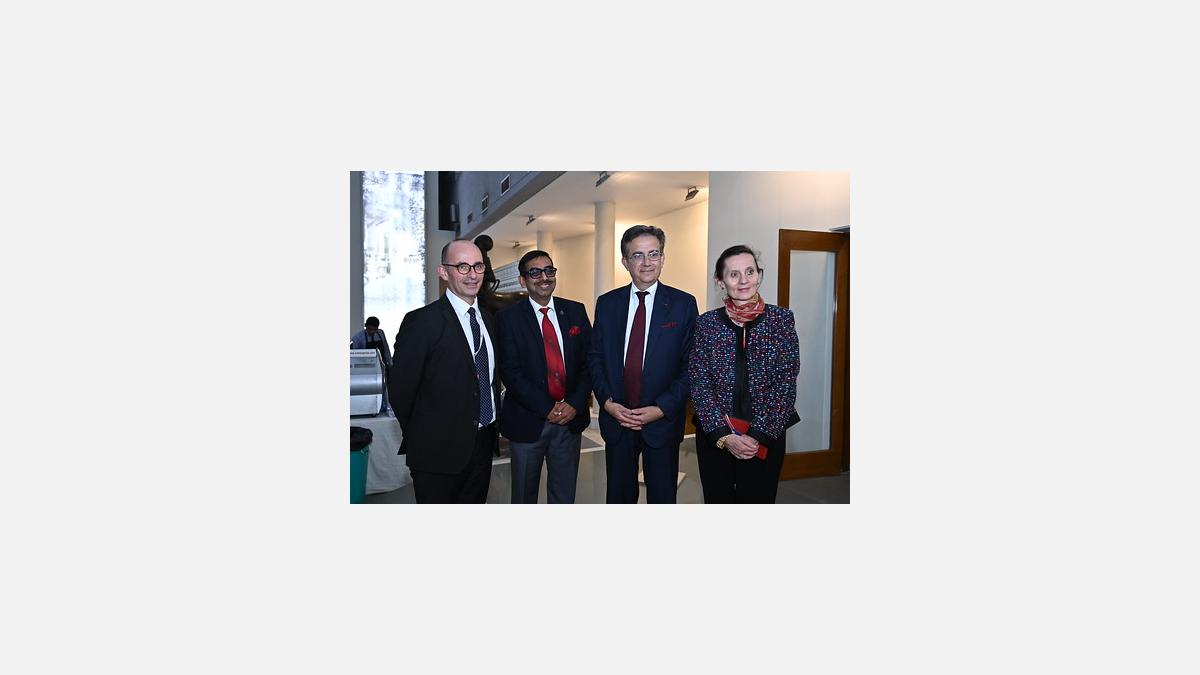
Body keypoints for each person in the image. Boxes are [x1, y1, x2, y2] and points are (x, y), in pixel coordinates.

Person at [587, 225, 698, 503]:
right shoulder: (607, 304)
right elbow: (595, 358)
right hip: (618, 420)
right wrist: (607, 403)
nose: (647, 262)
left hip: (662, 423)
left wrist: (661, 408)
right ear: (625, 261)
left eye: (654, 254)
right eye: (638, 255)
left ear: (663, 258)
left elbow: (691, 366)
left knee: (662, 498)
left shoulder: (683, 304)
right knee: (619, 498)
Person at [388, 239, 502, 503]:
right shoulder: (421, 322)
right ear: (443, 272)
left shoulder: (488, 319)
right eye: (462, 266)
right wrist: (425, 437)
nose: (472, 274)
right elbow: (400, 391)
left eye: (478, 266)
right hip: (436, 454)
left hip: (482, 445)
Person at [688, 245, 800, 503]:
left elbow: (785, 382)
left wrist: (757, 435)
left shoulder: (781, 320)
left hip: (766, 436)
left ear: (759, 275)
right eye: (734, 274)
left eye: (750, 272)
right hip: (716, 436)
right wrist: (724, 435)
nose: (743, 280)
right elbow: (699, 382)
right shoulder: (706, 323)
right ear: (720, 281)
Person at [496, 250, 593, 503]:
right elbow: (510, 371)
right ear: (522, 280)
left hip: (569, 422)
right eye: (535, 272)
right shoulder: (507, 318)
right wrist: (547, 407)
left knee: (564, 496)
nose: (544, 277)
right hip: (528, 422)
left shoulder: (575, 311)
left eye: (549, 270)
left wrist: (574, 403)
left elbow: (590, 362)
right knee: (523, 498)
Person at [351, 316, 392, 414]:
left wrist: (390, 363)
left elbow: (386, 348)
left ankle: (385, 407)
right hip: (366, 368)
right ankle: (369, 408)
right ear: (365, 326)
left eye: (374, 329)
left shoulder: (380, 333)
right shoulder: (358, 338)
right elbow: (355, 357)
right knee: (370, 389)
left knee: (385, 387)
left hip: (381, 365)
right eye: (369, 329)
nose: (372, 332)